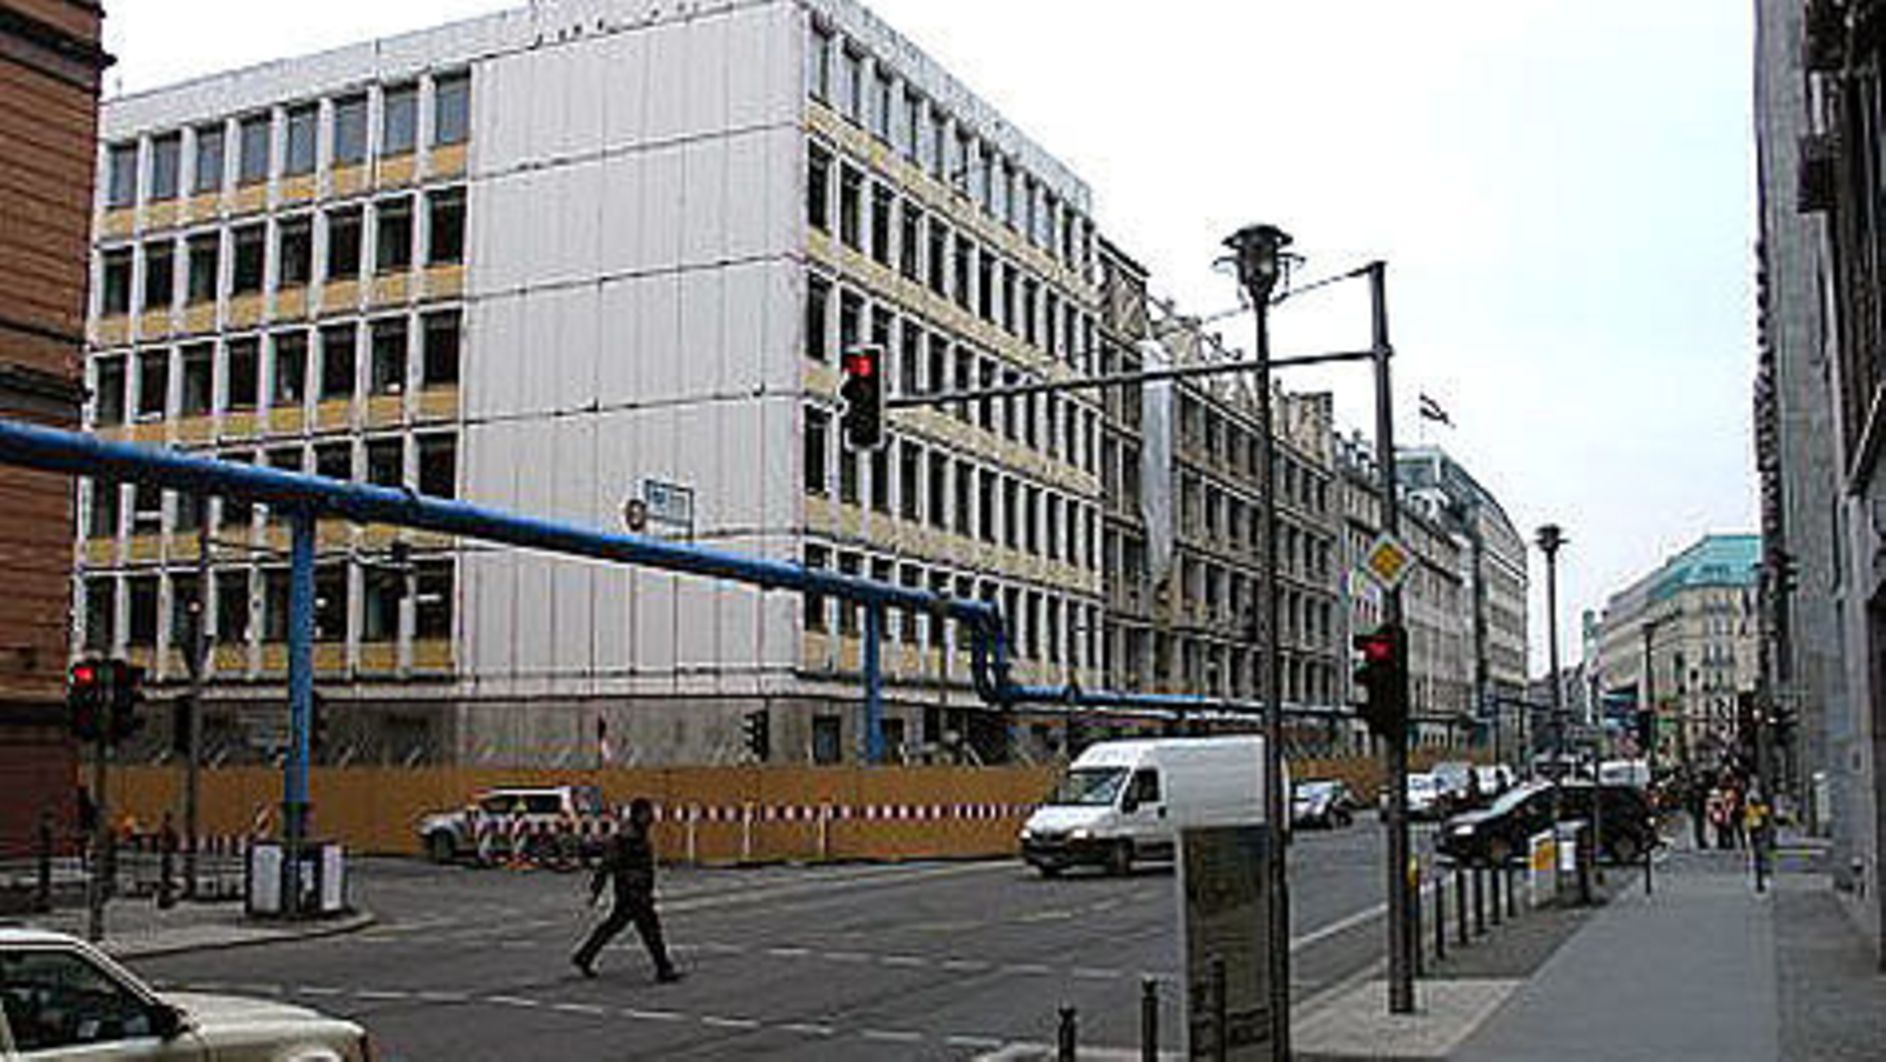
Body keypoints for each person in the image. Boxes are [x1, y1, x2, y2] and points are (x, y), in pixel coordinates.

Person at [572, 798, 680, 983]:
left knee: (613, 927)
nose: (651, 817)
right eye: (647, 813)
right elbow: (607, 865)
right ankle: (664, 968)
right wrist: (595, 891)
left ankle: (584, 956)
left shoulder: (639, 834)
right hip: (631, 893)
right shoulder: (626, 838)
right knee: (650, 931)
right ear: (638, 815)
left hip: (638, 892)